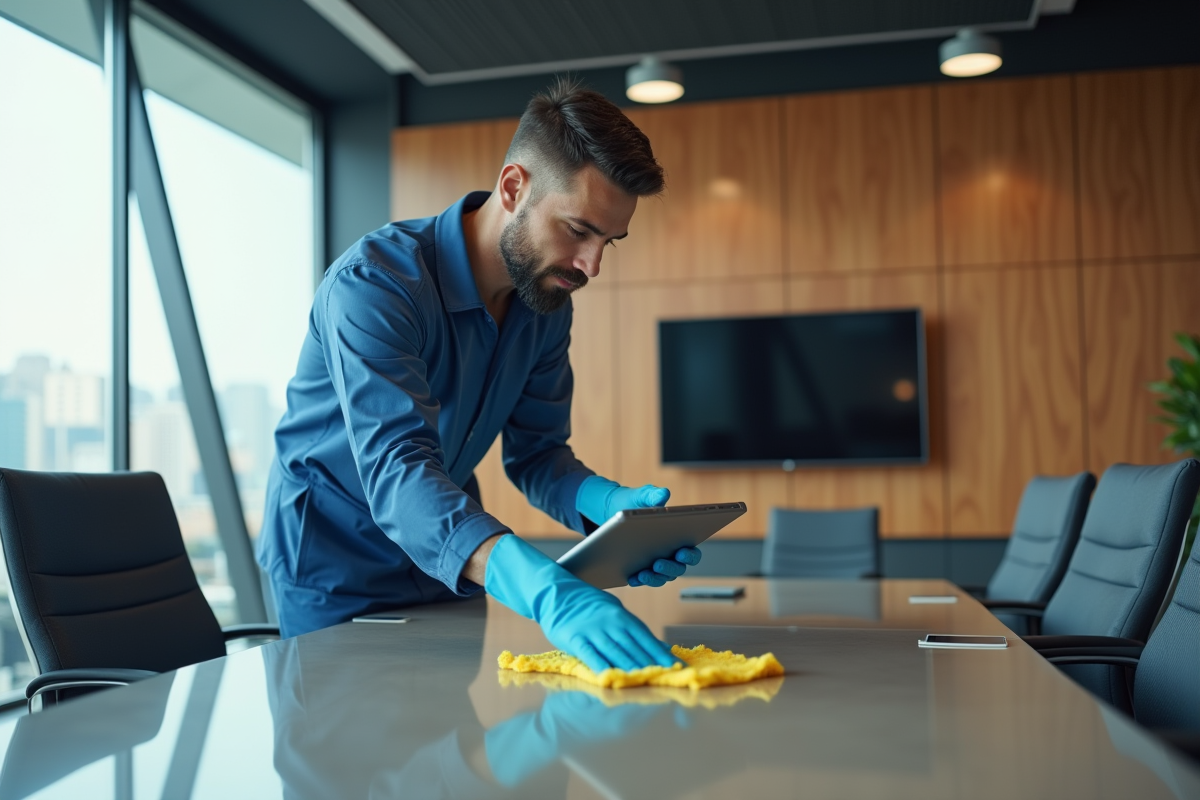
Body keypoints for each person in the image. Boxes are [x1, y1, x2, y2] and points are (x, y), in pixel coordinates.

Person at [257, 77, 701, 672]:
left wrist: (610, 509)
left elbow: (538, 455)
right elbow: (399, 470)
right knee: (349, 760)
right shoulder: (376, 286)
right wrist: (545, 591)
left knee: (448, 755)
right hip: (335, 571)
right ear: (514, 186)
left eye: (609, 242)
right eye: (578, 230)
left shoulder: (545, 305)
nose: (591, 265)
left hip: (452, 566)